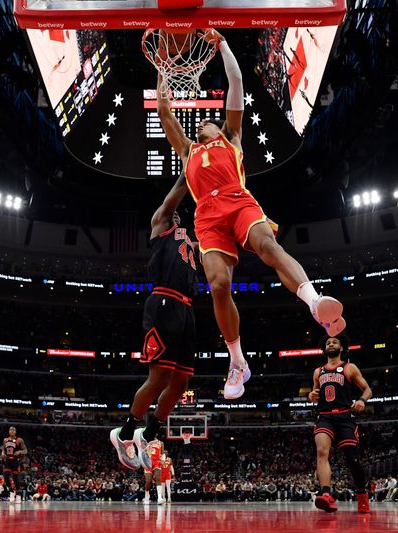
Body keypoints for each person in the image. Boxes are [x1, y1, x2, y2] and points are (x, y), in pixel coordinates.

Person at [156, 30, 344, 399]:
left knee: (268, 246)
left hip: (238, 201)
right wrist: (162, 65)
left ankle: (314, 302)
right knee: (219, 286)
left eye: (205, 123)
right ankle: (237, 361)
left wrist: (221, 43)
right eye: (198, 127)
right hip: (208, 218)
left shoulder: (232, 137)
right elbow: (164, 111)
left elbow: (236, 81)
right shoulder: (188, 151)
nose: (200, 126)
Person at [110, 181, 198, 471]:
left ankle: (147, 434)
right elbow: (174, 196)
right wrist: (190, 167)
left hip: (187, 309)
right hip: (163, 302)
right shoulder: (161, 223)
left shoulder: (190, 240)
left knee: (181, 383)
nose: (173, 213)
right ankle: (123, 434)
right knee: (159, 377)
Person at [308, 334, 372, 514]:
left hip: (345, 417)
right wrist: (311, 395)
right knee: (321, 452)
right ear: (324, 348)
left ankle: (361, 493)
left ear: (342, 347)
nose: (331, 344)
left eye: (335, 342)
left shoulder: (349, 367)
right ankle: (326, 494)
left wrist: (361, 400)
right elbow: (315, 393)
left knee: (353, 460)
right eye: (328, 342)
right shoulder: (318, 371)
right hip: (324, 416)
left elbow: (368, 389)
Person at [2, 426, 28, 502]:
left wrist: (19, 452)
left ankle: (18, 495)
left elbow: (25, 450)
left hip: (15, 461)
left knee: (15, 479)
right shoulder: (5, 440)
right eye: (11, 429)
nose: (12, 431)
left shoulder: (20, 440)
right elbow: (3, 450)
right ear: (9, 431)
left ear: (15, 432)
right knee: (6, 476)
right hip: (7, 460)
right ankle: (11, 491)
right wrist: (3, 454)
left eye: (14, 430)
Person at [141, 439, 165, 504]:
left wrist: (163, 460)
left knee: (158, 478)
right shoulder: (145, 442)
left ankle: (159, 497)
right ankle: (146, 496)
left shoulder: (160, 443)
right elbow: (142, 452)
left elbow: (162, 453)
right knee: (148, 480)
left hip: (157, 462)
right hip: (148, 461)